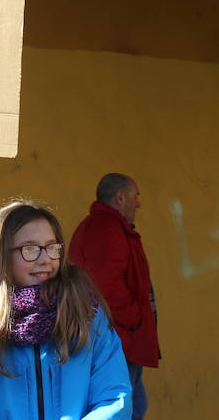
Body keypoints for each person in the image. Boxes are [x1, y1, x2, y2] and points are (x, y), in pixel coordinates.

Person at [0, 200, 131, 419]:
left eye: (52, 247)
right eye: (30, 249)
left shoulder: (86, 314)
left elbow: (114, 398)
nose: (45, 259)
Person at [69, 173, 159, 420]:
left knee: (133, 404)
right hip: (119, 337)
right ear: (120, 198)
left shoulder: (104, 226)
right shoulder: (107, 229)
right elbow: (106, 287)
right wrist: (134, 320)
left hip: (119, 335)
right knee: (125, 406)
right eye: (135, 196)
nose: (138, 203)